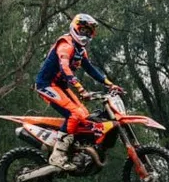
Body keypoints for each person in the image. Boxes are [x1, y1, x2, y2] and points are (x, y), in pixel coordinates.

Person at [34, 13, 124, 169]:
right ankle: (58, 156)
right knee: (74, 114)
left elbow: (91, 69)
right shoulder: (66, 44)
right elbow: (64, 67)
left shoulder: (80, 50)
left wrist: (110, 84)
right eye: (83, 30)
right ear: (75, 28)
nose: (85, 34)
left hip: (60, 86)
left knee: (84, 115)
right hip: (46, 84)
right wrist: (80, 88)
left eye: (88, 32)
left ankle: (74, 149)